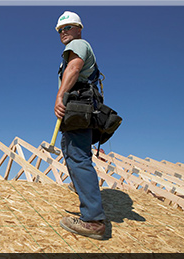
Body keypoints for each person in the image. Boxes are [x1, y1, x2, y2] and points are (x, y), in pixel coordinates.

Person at [54, 11, 106, 240]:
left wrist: (59, 96)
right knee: (70, 151)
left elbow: (73, 69)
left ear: (79, 29)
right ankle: (81, 189)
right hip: (79, 109)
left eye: (68, 27)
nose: (64, 32)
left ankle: (93, 221)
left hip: (78, 107)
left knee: (77, 156)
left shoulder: (79, 44)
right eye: (60, 30)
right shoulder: (76, 44)